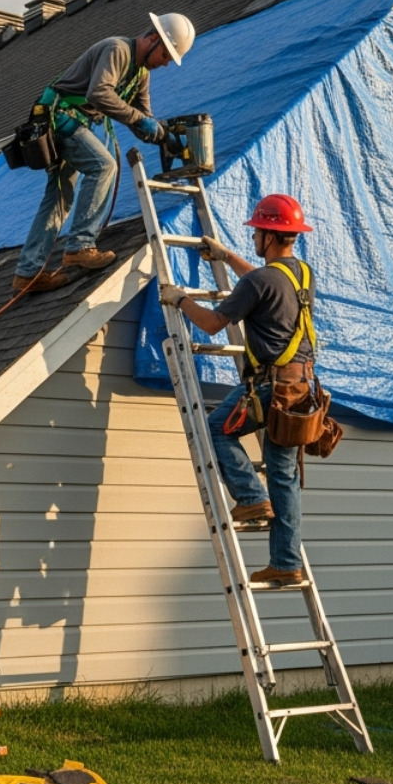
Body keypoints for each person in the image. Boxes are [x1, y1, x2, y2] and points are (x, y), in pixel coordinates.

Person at [159, 194, 316, 586]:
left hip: (270, 388)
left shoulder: (259, 281)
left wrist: (180, 299)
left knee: (215, 428)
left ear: (269, 235)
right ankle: (286, 562)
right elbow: (265, 283)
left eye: (257, 232)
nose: (253, 239)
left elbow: (213, 323)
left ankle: (250, 497)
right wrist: (227, 258)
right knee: (283, 477)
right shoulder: (302, 274)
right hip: (301, 389)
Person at [15, 13, 196, 295]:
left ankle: (28, 273)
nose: (165, 63)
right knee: (104, 166)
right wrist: (141, 120)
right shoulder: (118, 49)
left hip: (75, 122)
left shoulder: (141, 75)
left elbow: (142, 119)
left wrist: (162, 135)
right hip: (60, 116)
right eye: (165, 55)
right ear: (153, 38)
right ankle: (79, 246)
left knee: (60, 197)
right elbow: (99, 93)